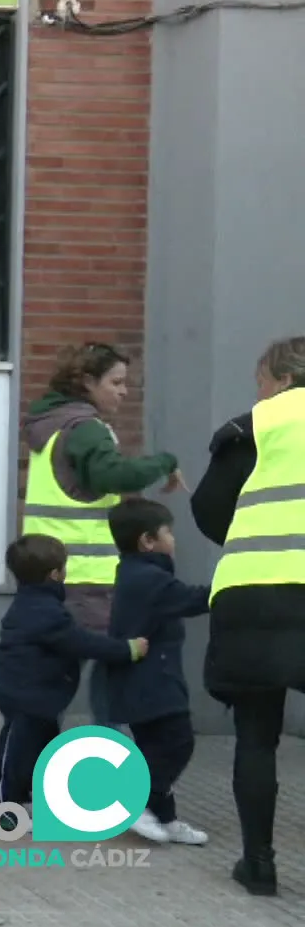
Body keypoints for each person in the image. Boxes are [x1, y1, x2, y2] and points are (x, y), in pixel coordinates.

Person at [193, 335, 305, 896]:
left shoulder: (252, 428)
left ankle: (258, 864)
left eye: (260, 381)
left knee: (257, 735)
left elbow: (208, 511)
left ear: (282, 378)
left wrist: (251, 539)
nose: (257, 393)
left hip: (253, 593)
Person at [20, 342, 182, 726]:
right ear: (88, 382)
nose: (124, 392)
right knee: (114, 664)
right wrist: (165, 462)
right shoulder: (85, 429)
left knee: (54, 675)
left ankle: (31, 758)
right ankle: (104, 761)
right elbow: (113, 476)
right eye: (117, 382)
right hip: (88, 579)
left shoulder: (51, 426)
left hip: (48, 573)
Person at [0, 533, 147, 831]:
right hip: (27, 697)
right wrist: (128, 649)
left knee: (34, 752)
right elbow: (81, 643)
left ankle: (24, 802)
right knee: (14, 756)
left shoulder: (32, 603)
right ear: (55, 574)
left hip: (37, 698)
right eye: (64, 567)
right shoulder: (46, 613)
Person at [104, 496, 210, 846]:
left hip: (143, 681)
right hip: (153, 682)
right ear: (147, 541)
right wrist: (234, 588)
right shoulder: (149, 578)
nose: (174, 539)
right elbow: (194, 599)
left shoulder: (135, 572)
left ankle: (166, 818)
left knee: (154, 744)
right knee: (178, 742)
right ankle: (135, 800)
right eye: (168, 532)